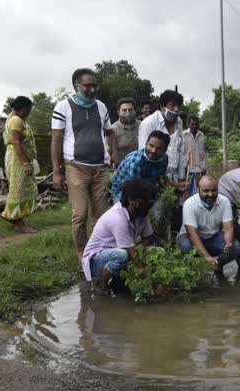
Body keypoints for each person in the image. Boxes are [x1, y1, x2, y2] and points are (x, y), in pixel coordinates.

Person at [51, 67, 120, 257]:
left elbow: (110, 132)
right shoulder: (62, 107)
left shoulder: (101, 106)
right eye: (87, 86)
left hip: (100, 168)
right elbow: (56, 140)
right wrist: (56, 172)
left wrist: (114, 153)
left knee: (101, 215)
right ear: (76, 86)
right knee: (80, 214)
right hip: (76, 167)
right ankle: (82, 253)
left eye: (94, 86)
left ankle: (96, 252)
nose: (92, 90)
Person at [81, 178, 156, 294]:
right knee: (122, 255)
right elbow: (132, 255)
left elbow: (149, 238)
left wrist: (137, 247)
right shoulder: (117, 218)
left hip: (120, 252)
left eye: (150, 202)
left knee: (157, 251)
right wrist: (153, 282)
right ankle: (101, 283)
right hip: (96, 260)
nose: (149, 206)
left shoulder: (141, 213)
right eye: (145, 202)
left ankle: (118, 281)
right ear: (131, 200)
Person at [177, 174, 240, 272]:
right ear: (198, 190)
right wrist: (206, 257)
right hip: (190, 238)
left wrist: (228, 243)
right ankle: (192, 270)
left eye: (214, 190)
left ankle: (218, 265)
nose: (210, 194)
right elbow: (192, 234)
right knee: (186, 246)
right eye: (206, 191)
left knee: (235, 247)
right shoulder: (189, 204)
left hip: (213, 237)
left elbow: (228, 228)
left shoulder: (224, 201)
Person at [1, 96, 39, 233]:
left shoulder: (17, 119)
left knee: (22, 189)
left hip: (18, 158)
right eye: (29, 108)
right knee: (17, 190)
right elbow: (16, 142)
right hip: (17, 160)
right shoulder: (16, 120)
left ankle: (17, 219)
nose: (29, 111)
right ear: (23, 107)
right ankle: (16, 221)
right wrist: (25, 163)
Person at [138, 90, 187, 187]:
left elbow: (181, 150)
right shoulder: (149, 123)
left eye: (178, 106)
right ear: (162, 107)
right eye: (172, 105)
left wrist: (181, 177)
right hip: (155, 178)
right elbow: (143, 154)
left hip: (175, 177)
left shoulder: (179, 122)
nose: (176, 109)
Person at [109, 131, 171, 202]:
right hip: (123, 191)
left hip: (148, 189)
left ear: (165, 150)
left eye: (159, 148)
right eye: (151, 146)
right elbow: (134, 189)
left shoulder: (164, 158)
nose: (153, 151)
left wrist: (173, 185)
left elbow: (161, 178)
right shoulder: (136, 161)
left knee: (159, 210)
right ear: (146, 144)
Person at [183, 116, 207, 197]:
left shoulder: (201, 135)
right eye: (193, 124)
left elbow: (203, 153)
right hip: (188, 170)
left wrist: (204, 169)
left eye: (197, 124)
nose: (195, 126)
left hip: (199, 170)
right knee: (188, 194)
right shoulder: (183, 135)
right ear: (188, 124)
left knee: (200, 192)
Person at [111, 98, 140, 162]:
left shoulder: (142, 126)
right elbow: (109, 151)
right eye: (124, 110)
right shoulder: (113, 129)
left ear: (135, 111)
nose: (128, 113)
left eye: (130, 110)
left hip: (140, 166)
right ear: (118, 112)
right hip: (121, 168)